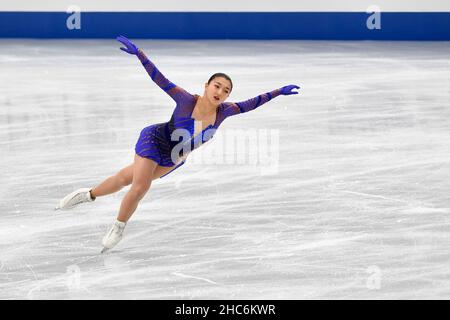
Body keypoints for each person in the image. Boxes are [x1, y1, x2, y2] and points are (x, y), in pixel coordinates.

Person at [55, 36, 300, 253]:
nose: (220, 92)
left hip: (174, 157)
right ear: (206, 86)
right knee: (140, 187)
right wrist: (141, 54)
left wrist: (278, 91)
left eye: (226, 90)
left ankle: (88, 195)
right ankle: (119, 227)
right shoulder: (185, 100)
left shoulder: (225, 111)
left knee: (123, 179)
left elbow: (251, 104)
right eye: (217, 86)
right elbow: (159, 79)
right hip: (154, 139)